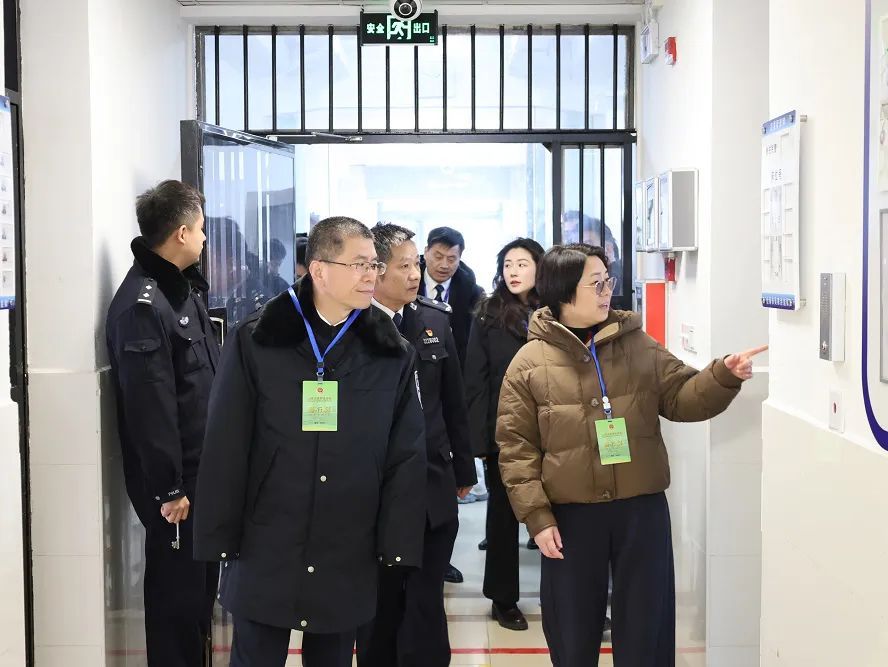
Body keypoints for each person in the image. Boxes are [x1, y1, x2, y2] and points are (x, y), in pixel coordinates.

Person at [496, 243, 767, 667]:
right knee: (572, 628)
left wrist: (722, 376)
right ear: (564, 290)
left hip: (640, 508)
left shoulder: (637, 344)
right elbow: (516, 449)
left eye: (608, 281)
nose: (607, 291)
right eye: (596, 284)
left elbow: (682, 397)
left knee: (647, 625)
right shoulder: (529, 363)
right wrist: (537, 517)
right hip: (570, 516)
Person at [193, 216, 428, 667]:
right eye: (358, 264)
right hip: (267, 540)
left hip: (347, 544)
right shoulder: (257, 340)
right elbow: (226, 443)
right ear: (319, 269)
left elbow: (406, 453)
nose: (371, 275)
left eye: (375, 265)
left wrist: (395, 542)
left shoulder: (390, 352)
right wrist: (219, 536)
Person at [105, 180, 220, 667]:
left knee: (198, 602)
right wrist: (170, 488)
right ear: (180, 233)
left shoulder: (181, 291)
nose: (205, 239)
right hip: (178, 491)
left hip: (201, 476)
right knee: (176, 606)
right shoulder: (143, 306)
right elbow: (150, 410)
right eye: (200, 229)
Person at [358, 223, 477, 667]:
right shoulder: (352, 325)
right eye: (404, 266)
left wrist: (463, 470)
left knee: (427, 601)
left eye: (416, 264)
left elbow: (454, 401)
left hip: (432, 481)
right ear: (376, 270)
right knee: (382, 603)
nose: (415, 274)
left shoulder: (433, 320)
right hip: (378, 490)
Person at [464, 238, 544, 632]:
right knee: (503, 517)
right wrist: (481, 442)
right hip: (506, 432)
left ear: (540, 268)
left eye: (522, 264)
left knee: (561, 516)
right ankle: (503, 598)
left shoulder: (556, 310)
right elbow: (475, 381)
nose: (513, 271)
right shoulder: (488, 314)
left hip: (553, 429)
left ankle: (569, 597)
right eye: (508, 264)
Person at [419, 226, 486, 584]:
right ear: (426, 253)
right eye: (438, 256)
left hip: (452, 380)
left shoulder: (470, 291)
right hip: (419, 381)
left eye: (452, 258)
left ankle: (441, 560)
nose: (445, 264)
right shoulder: (405, 283)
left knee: (443, 480)